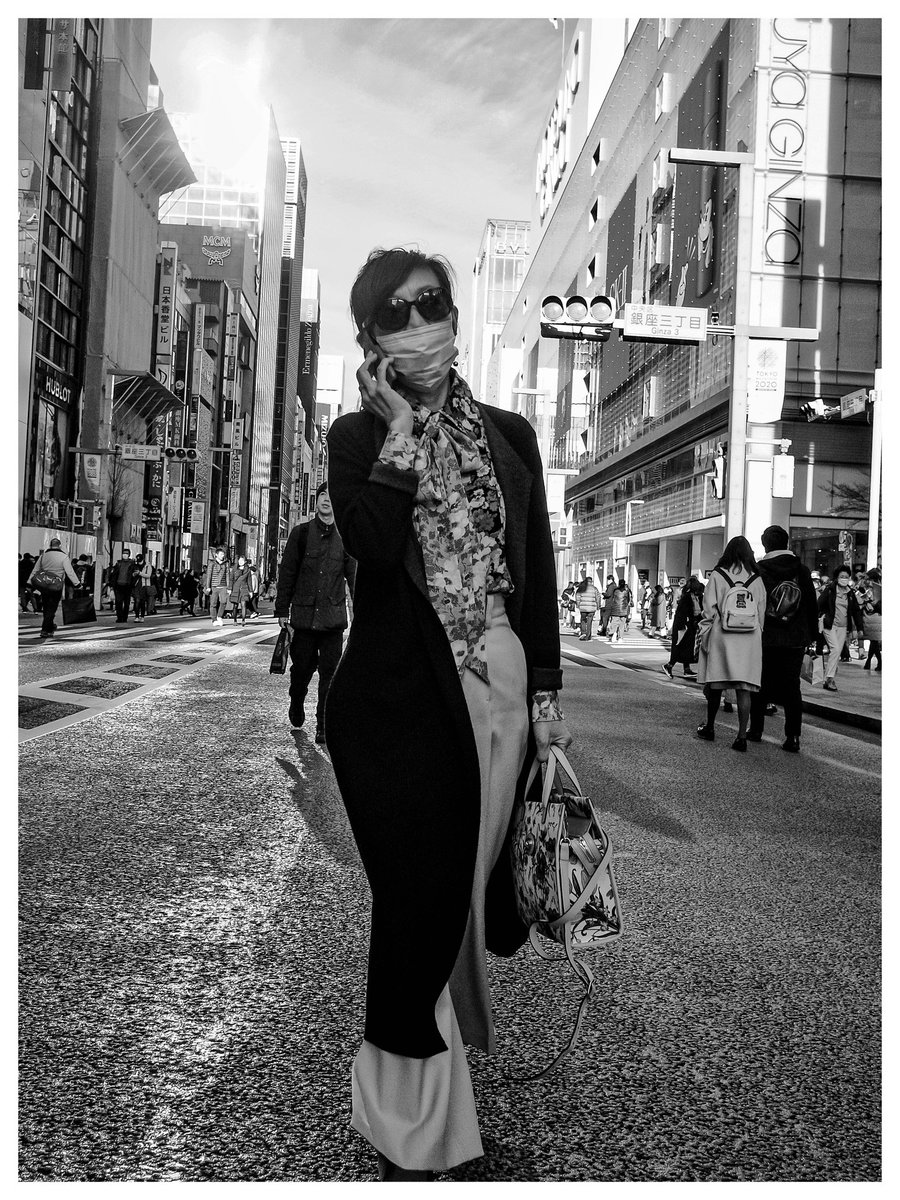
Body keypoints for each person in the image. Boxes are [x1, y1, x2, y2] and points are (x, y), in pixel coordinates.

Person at [323, 246, 572, 1181]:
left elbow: (536, 569)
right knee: (420, 897)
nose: (421, 322)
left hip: (498, 683)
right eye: (397, 312)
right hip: (399, 696)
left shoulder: (509, 435)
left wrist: (545, 694)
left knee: (461, 894)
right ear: (371, 337)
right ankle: (410, 1118)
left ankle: (430, 1092)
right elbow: (372, 546)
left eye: (432, 302)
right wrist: (398, 432)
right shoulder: (355, 438)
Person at [275, 484, 356, 740]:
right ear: (316, 500)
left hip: (333, 620)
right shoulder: (301, 533)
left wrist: (362, 612)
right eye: (322, 495)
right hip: (304, 619)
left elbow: (354, 578)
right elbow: (287, 573)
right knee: (301, 670)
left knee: (330, 675)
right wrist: (282, 609)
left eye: (331, 496)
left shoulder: (345, 538)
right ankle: (296, 699)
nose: (326, 500)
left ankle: (323, 723)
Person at [747, 525, 819, 752]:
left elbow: (754, 603)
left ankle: (756, 730)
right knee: (792, 687)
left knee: (760, 683)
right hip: (795, 638)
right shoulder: (801, 569)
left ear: (765, 544)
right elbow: (811, 605)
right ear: (786, 543)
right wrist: (813, 636)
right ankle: (793, 737)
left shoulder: (759, 570)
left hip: (766, 636)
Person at [695, 536, 767, 751]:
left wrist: (704, 632)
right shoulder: (757, 578)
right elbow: (761, 611)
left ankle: (710, 727)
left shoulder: (718, 575)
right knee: (744, 689)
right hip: (749, 638)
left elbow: (708, 609)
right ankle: (741, 736)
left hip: (722, 635)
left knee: (716, 684)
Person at [818, 565, 864, 691]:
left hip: (843, 627)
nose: (844, 579)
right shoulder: (830, 590)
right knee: (835, 649)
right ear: (837, 577)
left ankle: (828, 678)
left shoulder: (850, 593)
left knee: (836, 652)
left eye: (846, 577)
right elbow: (819, 604)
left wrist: (860, 628)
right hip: (829, 625)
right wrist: (822, 617)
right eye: (842, 576)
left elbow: (856, 611)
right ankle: (830, 679)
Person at [27, 537, 82, 639]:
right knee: (52, 608)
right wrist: (77, 584)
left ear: (50, 545)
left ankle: (49, 628)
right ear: (60, 546)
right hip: (56, 586)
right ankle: (45, 629)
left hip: (44, 585)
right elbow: (70, 572)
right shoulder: (64, 557)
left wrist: (29, 582)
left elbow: (35, 570)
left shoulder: (43, 556)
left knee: (46, 607)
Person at [663, 577, 703, 679]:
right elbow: (683, 613)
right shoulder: (688, 597)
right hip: (684, 627)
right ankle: (669, 665)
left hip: (690, 626)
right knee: (680, 646)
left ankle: (687, 669)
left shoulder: (693, 596)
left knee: (688, 647)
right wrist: (684, 625)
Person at [204, 549, 233, 626]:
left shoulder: (226, 563)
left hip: (223, 586)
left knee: (223, 602)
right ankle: (214, 619)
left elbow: (227, 575)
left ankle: (219, 616)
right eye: (221, 554)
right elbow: (209, 575)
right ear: (216, 555)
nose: (222, 556)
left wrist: (229, 587)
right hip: (214, 585)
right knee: (213, 604)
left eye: (223, 554)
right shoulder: (212, 563)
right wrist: (208, 586)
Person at [861, 568, 881, 670]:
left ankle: (875, 662)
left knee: (874, 641)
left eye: (868, 578)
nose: (866, 580)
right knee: (874, 642)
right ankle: (871, 662)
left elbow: (872, 603)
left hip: (873, 617)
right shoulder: (878, 588)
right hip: (876, 618)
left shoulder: (874, 589)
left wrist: (865, 600)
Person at [110, 548, 137, 622]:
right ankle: (119, 617)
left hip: (127, 586)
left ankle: (125, 618)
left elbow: (134, 576)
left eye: (126, 553)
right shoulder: (118, 563)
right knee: (118, 602)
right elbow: (114, 575)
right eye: (124, 553)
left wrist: (132, 584)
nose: (124, 555)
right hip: (118, 585)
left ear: (129, 555)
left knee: (126, 603)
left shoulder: (132, 564)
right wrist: (112, 585)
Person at [229, 555, 253, 625]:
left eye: (242, 560)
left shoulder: (248, 570)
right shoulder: (234, 569)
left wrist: (251, 591)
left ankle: (243, 620)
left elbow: (249, 581)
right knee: (235, 605)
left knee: (243, 604)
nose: (240, 562)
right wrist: (230, 588)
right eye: (239, 560)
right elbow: (231, 579)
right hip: (235, 588)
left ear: (245, 562)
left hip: (244, 588)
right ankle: (235, 620)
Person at [606, 578, 632, 643]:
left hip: (615, 609)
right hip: (623, 609)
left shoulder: (615, 590)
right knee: (622, 624)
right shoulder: (626, 591)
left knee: (614, 623)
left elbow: (612, 598)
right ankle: (620, 637)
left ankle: (613, 635)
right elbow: (628, 600)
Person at [575, 575, 600, 640]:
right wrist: (598, 606)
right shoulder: (594, 588)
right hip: (592, 608)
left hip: (583, 607)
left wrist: (578, 604)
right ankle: (588, 635)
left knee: (583, 620)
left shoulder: (581, 588)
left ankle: (583, 632)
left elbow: (578, 596)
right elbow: (598, 597)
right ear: (591, 581)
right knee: (589, 621)